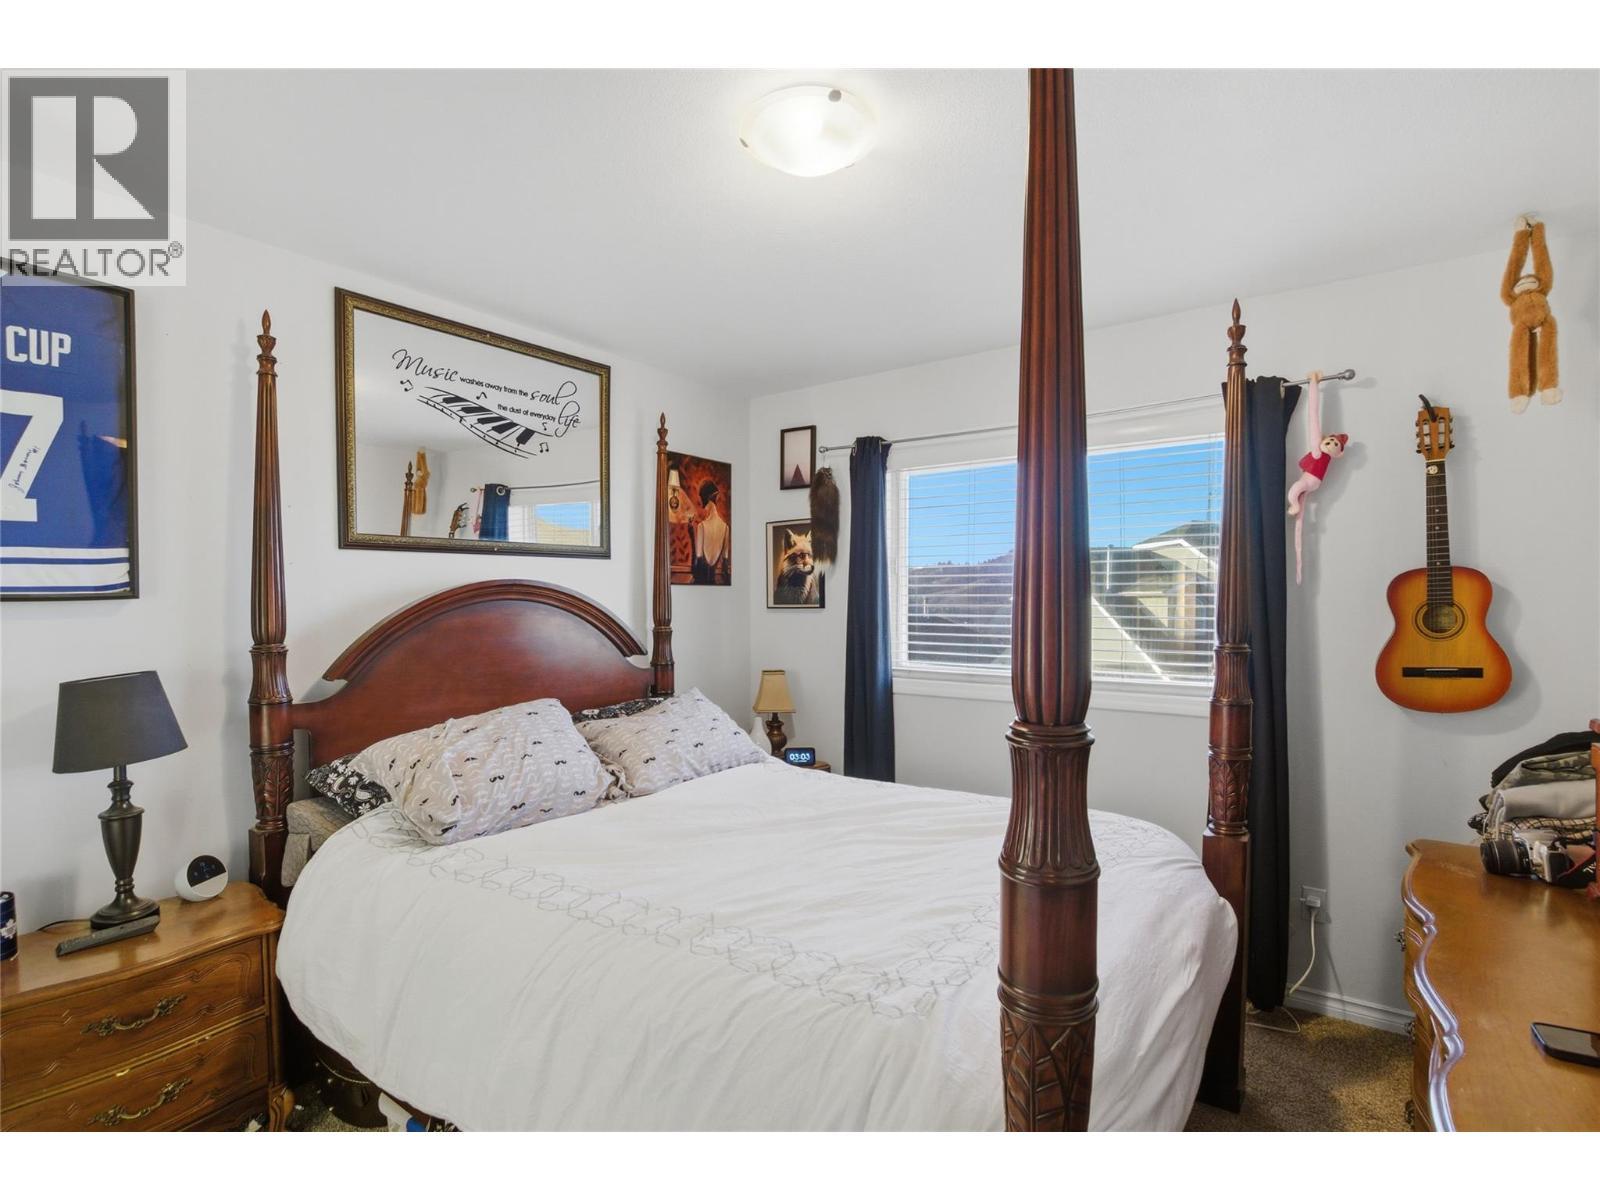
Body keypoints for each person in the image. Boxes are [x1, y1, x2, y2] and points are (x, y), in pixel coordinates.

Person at [692, 479, 730, 585]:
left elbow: (698, 563)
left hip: (701, 584)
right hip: (716, 584)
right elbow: (725, 565)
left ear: (704, 499)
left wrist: (691, 534)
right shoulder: (726, 528)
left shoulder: (701, 527)